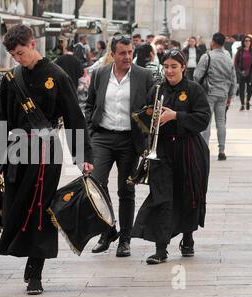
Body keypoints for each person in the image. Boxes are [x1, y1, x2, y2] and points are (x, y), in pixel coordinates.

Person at [0, 24, 94, 295]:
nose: (18, 58)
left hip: (46, 152)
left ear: (32, 44)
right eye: (13, 55)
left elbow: (75, 117)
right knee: (16, 207)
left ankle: (36, 270)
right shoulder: (10, 79)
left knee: (41, 210)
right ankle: (25, 255)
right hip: (17, 152)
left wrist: (83, 156)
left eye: (20, 52)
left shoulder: (57, 75)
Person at [132, 49, 211, 264]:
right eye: (166, 66)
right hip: (163, 149)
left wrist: (176, 115)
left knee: (188, 195)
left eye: (174, 66)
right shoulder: (157, 90)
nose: (169, 71)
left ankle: (188, 237)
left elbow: (203, 118)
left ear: (183, 67)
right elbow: (145, 116)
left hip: (189, 151)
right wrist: (146, 118)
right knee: (162, 197)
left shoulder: (194, 90)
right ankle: (161, 248)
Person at [85, 35, 155, 257]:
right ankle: (108, 229)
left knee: (126, 190)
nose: (127, 57)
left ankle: (125, 239)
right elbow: (89, 105)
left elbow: (152, 108)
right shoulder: (99, 74)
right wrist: (90, 131)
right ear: (112, 54)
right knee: (95, 183)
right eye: (122, 53)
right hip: (102, 137)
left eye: (130, 52)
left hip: (129, 140)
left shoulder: (144, 76)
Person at [194, 32, 236, 161]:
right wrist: (231, 95)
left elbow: (196, 75)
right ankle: (222, 150)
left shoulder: (207, 57)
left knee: (206, 122)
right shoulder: (228, 56)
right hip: (223, 93)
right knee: (221, 122)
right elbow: (233, 77)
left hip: (209, 93)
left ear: (213, 42)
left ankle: (204, 150)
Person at [234, 35, 252, 111]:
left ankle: (248, 101)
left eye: (249, 41)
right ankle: (242, 104)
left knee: (250, 89)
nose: (247, 42)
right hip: (241, 73)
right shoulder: (240, 51)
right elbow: (236, 62)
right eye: (246, 41)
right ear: (243, 42)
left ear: (251, 42)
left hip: (250, 73)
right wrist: (239, 71)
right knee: (242, 89)